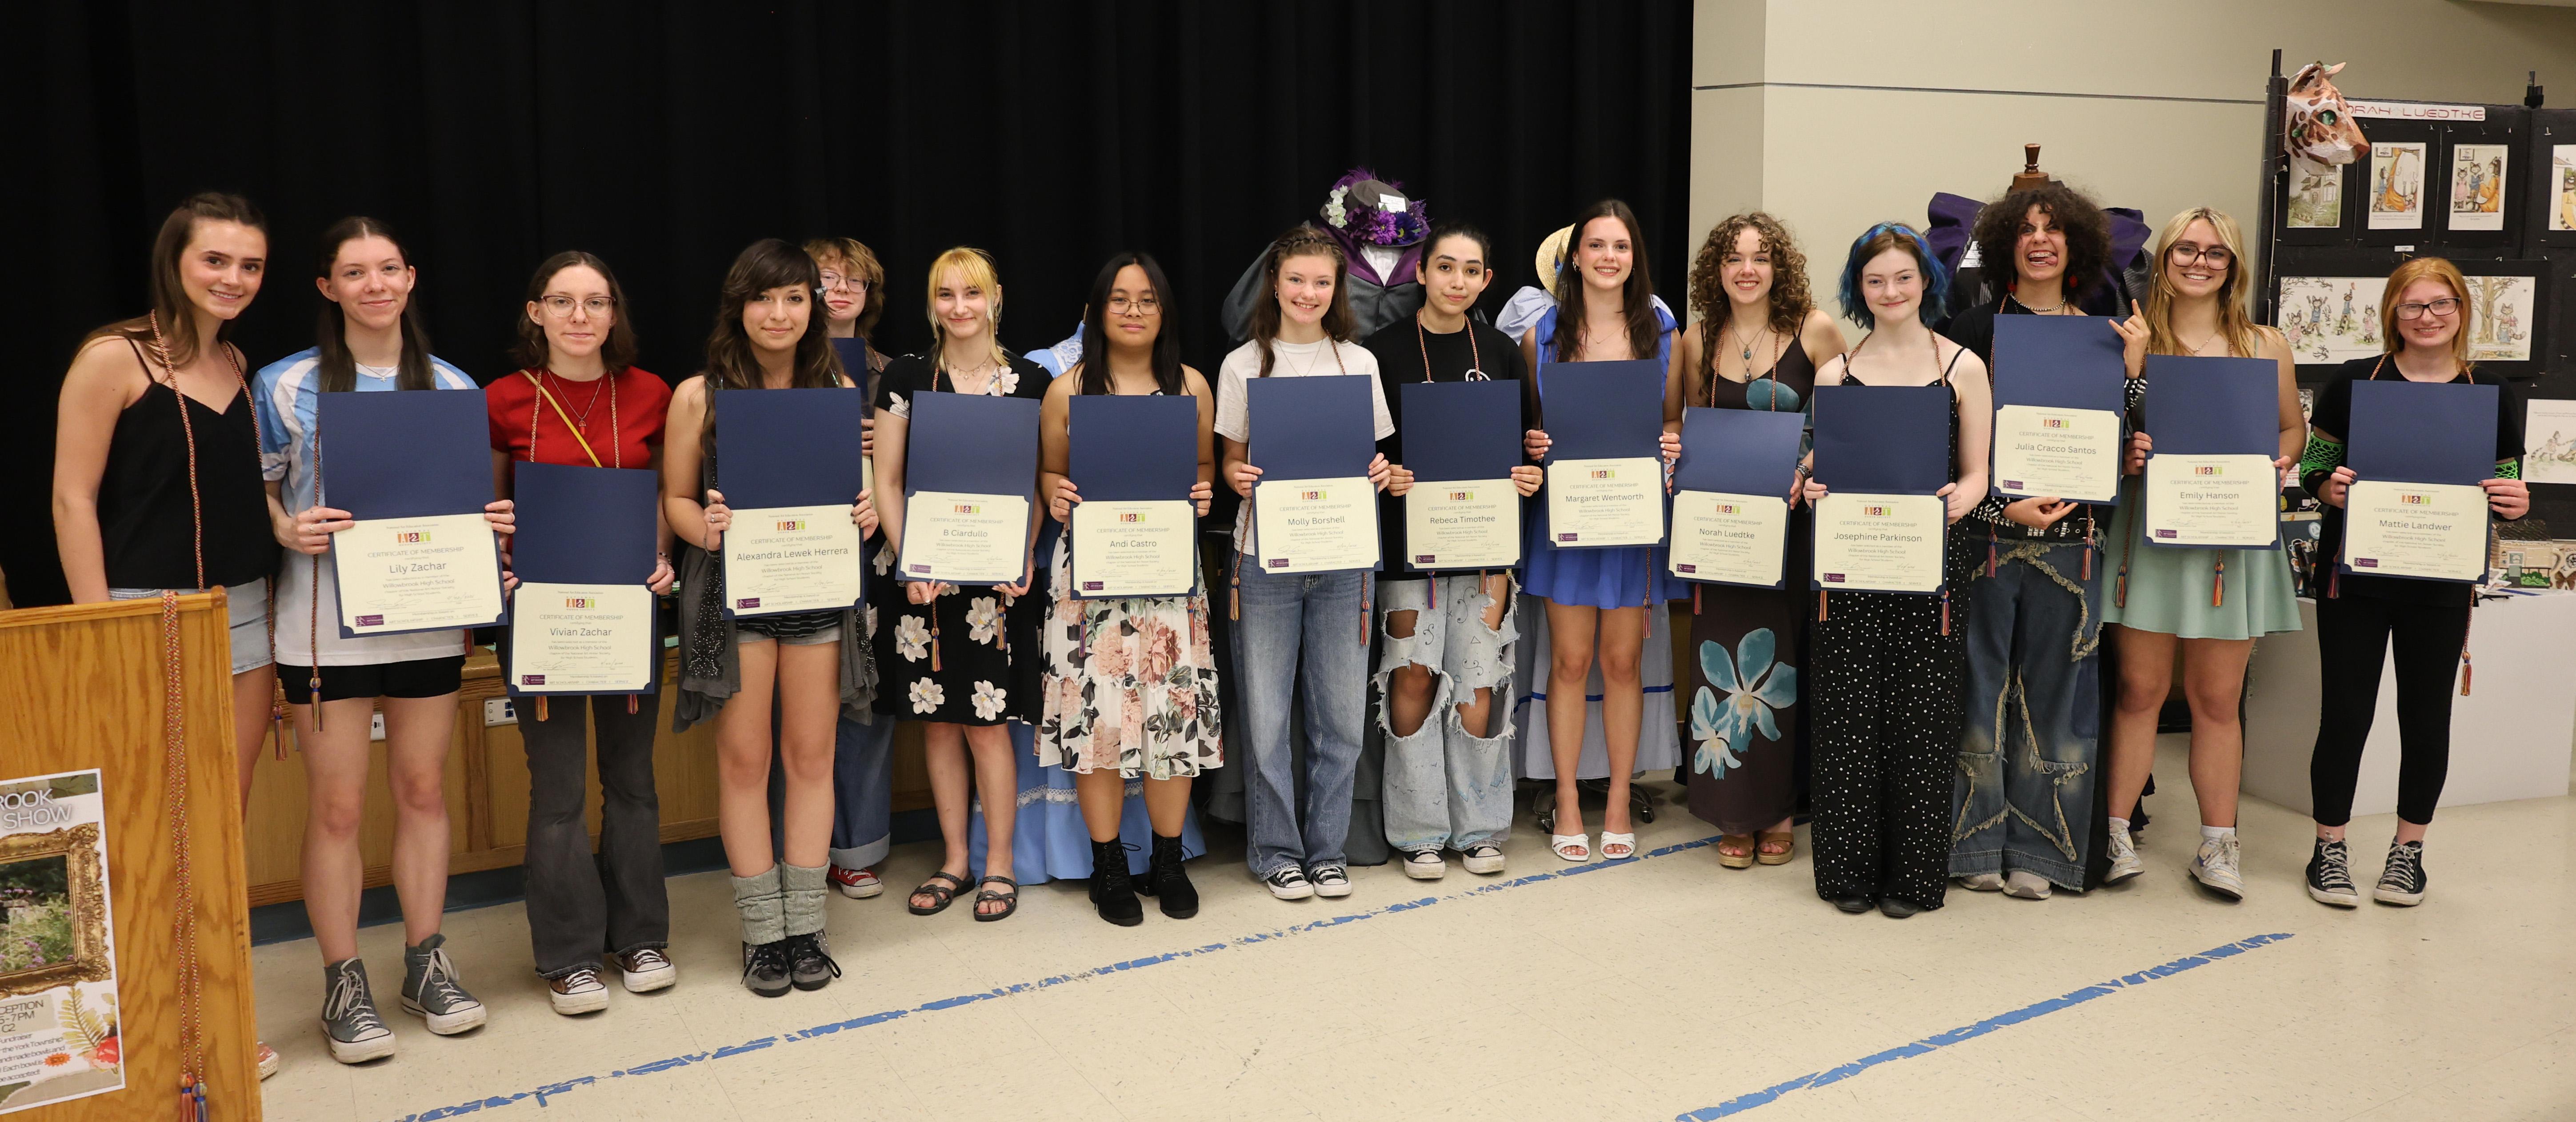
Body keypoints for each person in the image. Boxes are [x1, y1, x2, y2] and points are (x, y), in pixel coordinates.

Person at [256, 217, 507, 1060]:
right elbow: (259, 492)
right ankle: (343, 980)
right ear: (327, 287)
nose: (375, 285)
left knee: (424, 791)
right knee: (336, 807)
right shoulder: (285, 384)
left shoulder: (451, 384)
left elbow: (465, 501)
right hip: (322, 627)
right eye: (355, 272)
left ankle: (427, 963)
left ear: (410, 278)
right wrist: (286, 527)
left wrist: (490, 523)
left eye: (388, 269)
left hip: (427, 615)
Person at [52, 192, 287, 1078]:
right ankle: (132, 1025)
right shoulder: (113, 357)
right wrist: (101, 628)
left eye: (250, 264)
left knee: (219, 827)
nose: (233, 278)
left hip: (245, 612)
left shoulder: (236, 359)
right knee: (147, 829)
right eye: (215, 260)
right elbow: (72, 497)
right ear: (175, 261)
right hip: (142, 611)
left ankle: (211, 1015)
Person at [664, 239, 877, 996]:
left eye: (794, 297)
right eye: (763, 297)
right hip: (736, 599)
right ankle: (763, 934)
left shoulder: (838, 387)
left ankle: (807, 925)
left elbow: (858, 493)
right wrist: (704, 527)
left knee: (811, 758)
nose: (779, 313)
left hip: (816, 591)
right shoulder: (700, 394)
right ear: (739, 305)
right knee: (745, 763)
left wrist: (866, 510)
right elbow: (676, 499)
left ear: (813, 306)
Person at [2300, 257, 2528, 908]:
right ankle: (2329, 848)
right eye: (2412, 305)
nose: (2427, 317)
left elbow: (2507, 481)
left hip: (2441, 579)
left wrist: (2515, 502)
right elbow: (2314, 468)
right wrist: (2327, 487)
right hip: (2355, 578)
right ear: (2392, 313)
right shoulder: (2355, 381)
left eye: (2441, 304)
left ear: (2462, 309)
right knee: (2346, 713)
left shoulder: (2492, 393)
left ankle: (2408, 854)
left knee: (2427, 718)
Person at [484, 251, 678, 1013]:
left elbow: (664, 494)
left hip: (628, 612)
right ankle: (568, 954)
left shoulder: (651, 393)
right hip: (543, 620)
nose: (579, 316)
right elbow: (490, 509)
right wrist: (498, 560)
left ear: (613, 313)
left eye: (595, 302)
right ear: (535, 313)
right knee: (559, 789)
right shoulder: (503, 399)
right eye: (562, 301)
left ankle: (641, 936)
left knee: (633, 781)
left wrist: (663, 558)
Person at [1938, 184, 2137, 899]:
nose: (2040, 240)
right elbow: (1945, 435)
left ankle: (2045, 854)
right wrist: (2004, 502)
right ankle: (1974, 846)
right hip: (1987, 538)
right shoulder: (1972, 328)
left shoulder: (2107, 334)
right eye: (2025, 229)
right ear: (2005, 245)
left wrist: (2134, 374)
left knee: (2060, 697)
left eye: (2053, 229)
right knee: (1980, 691)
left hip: (2074, 541)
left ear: (2076, 245)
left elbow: (2126, 443)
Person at [2099, 208, 2304, 901]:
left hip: (2229, 536)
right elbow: (2103, 434)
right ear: (2164, 259)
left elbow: (2292, 429)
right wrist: (2127, 450)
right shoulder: (2135, 337)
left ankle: (2219, 845)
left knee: (2217, 699)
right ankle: (2116, 834)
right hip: (2150, 532)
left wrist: (2281, 460)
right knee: (2140, 692)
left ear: (2234, 265)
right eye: (2185, 249)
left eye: (2216, 253)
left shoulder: (2264, 344)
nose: (2200, 262)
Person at [1800, 222, 1992, 918]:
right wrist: (1812, 487)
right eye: (1875, 280)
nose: (1890, 291)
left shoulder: (1962, 368)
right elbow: (1818, 466)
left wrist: (1961, 499)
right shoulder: (1837, 374)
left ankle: (1912, 877)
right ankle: (1847, 872)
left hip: (1930, 567)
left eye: (1903, 278)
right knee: (1847, 716)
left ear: (1926, 283)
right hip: (1850, 568)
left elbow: (1978, 474)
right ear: (1859, 288)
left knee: (1923, 719)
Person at [1036, 252, 1223, 925]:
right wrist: (1055, 495)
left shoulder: (1191, 386)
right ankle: (1108, 865)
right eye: (1120, 298)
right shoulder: (1068, 390)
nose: (1134, 310)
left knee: (1174, 714)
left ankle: (1168, 860)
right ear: (1097, 311)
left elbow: (1204, 465)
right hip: (1091, 582)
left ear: (1164, 311)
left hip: (1169, 578)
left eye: (1147, 299)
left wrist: (1203, 491)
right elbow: (1050, 474)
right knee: (1099, 723)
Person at [1219, 225, 1397, 901]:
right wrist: (1236, 476)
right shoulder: (1243, 364)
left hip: (1345, 561)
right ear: (1275, 283)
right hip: (1264, 560)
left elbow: (1376, 458)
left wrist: (1380, 471)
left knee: (1342, 722)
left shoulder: (1359, 363)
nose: (1308, 292)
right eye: (1296, 279)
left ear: (1337, 288)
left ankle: (1327, 852)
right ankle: (1276, 853)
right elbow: (1230, 460)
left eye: (1322, 282)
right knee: (1266, 722)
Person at [872, 247, 1048, 922]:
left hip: (995, 586)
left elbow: (1037, 484)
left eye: (972, 293)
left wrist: (1022, 553)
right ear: (932, 303)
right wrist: (912, 561)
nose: (959, 307)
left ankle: (998, 863)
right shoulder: (908, 377)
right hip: (925, 580)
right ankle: (955, 860)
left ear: (996, 297)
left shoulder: (1030, 381)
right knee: (939, 725)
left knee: (987, 726)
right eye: (946, 295)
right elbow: (888, 481)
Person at [1363, 223, 1541, 880]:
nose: (1457, 280)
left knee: (1479, 678)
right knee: (1412, 675)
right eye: (1445, 266)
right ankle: (1419, 833)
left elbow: (1526, 444)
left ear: (1486, 280)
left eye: (1471, 270)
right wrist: (1385, 471)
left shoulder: (1501, 352)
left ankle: (1481, 828)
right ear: (1421, 272)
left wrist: (1530, 474)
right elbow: (1363, 450)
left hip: (1487, 547)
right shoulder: (1380, 352)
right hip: (1410, 544)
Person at [1672, 212, 1846, 870]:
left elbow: (1846, 421)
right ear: (1716, 270)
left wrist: (1809, 467)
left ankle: (1778, 808)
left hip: (1794, 528)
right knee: (1719, 661)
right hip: (1722, 533)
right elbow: (1683, 426)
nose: (1748, 269)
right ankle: (1732, 810)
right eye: (1734, 258)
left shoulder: (1815, 330)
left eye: (1761, 257)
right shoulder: (1696, 338)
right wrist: (1674, 454)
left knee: (1783, 662)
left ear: (1780, 267)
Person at [1518, 200, 1685, 865]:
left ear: (1634, 258)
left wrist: (1671, 443)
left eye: (1621, 246)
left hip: (1631, 518)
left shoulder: (1662, 331)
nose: (1608, 258)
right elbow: (1533, 429)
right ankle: (1566, 799)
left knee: (1623, 664)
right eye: (1596, 246)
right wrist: (1534, 443)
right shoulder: (1543, 334)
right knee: (1569, 661)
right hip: (1568, 515)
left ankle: (1617, 800)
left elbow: (1672, 420)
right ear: (1575, 257)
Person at [803, 236, 896, 902]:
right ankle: (799, 852)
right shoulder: (775, 366)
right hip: (794, 555)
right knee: (800, 711)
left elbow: (931, 469)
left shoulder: (897, 372)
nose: (840, 290)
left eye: (853, 281)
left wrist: (887, 449)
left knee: (866, 702)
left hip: (874, 551)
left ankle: (858, 848)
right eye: (826, 278)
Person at [1222, 169, 1429, 343]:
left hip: (1400, 367)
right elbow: (1243, 316)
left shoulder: (1427, 258)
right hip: (1323, 364)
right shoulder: (1309, 245)